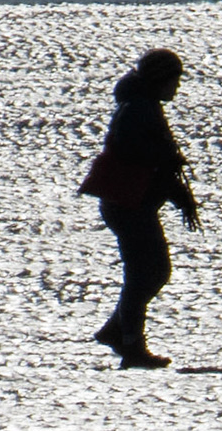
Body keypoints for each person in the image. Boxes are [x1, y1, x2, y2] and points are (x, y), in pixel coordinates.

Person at [82, 47, 201, 368]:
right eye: (174, 81)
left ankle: (117, 331)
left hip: (132, 203)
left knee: (151, 272)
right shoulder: (138, 109)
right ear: (160, 80)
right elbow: (135, 152)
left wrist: (181, 196)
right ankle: (130, 342)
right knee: (148, 272)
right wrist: (166, 160)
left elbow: (159, 166)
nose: (176, 88)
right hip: (128, 203)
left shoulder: (143, 106)